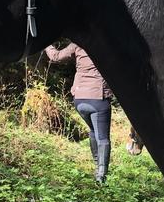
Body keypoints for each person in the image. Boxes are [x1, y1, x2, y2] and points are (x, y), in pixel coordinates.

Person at [44, 42, 113, 182]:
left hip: (80, 99)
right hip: (98, 99)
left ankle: (96, 166)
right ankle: (101, 175)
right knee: (103, 138)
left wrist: (46, 44)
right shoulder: (106, 43)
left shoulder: (78, 44)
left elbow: (55, 56)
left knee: (94, 131)